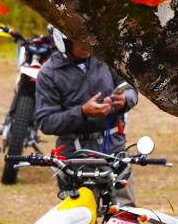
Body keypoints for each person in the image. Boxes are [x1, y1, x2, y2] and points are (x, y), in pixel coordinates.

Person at [33, 28, 137, 156]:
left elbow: (130, 88)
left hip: (114, 147)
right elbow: (47, 122)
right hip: (74, 155)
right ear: (63, 42)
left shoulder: (106, 58)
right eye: (79, 40)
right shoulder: (48, 73)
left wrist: (125, 99)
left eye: (88, 37)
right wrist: (82, 112)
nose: (86, 43)